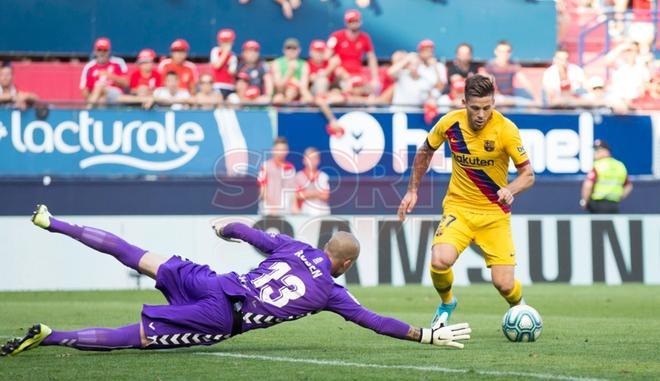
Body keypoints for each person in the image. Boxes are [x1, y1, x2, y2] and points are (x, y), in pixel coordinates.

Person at [1, 205, 471, 356]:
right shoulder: (332, 290)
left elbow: (249, 232)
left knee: (134, 253)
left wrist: (224, 229)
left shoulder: (295, 247)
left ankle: (53, 221)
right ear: (345, 264)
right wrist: (425, 334)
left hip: (214, 281)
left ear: (326, 245)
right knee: (137, 339)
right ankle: (50, 337)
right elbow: (375, 321)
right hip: (222, 314)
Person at [398, 74, 535, 328]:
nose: (481, 114)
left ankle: (520, 308)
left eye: (487, 107)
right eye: (475, 108)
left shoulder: (507, 130)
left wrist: (510, 188)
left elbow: (528, 175)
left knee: (504, 284)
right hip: (458, 208)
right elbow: (425, 151)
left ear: (494, 102)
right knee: (440, 260)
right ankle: (447, 302)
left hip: (494, 214)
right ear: (464, 102)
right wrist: (412, 190)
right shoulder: (450, 123)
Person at [326, 9, 379, 95]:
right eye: (351, 21)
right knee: (347, 88)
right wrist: (338, 69)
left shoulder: (365, 38)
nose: (354, 23)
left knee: (371, 89)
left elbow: (371, 58)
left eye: (356, 21)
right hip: (340, 75)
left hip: (357, 74)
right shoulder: (336, 36)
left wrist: (375, 78)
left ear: (360, 22)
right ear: (346, 23)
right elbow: (327, 56)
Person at [580, 139, 632, 213]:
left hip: (598, 204)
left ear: (606, 151)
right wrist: (619, 196)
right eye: (595, 150)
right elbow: (628, 186)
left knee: (598, 224)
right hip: (614, 205)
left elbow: (588, 185)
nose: (595, 153)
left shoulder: (597, 165)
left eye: (598, 150)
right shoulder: (620, 165)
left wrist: (584, 201)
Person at [483, 40, 539, 106]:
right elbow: (490, 86)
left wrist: (536, 97)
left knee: (524, 93)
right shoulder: (490, 65)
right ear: (496, 52)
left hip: (511, 93)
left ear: (510, 53)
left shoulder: (513, 64)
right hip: (497, 97)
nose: (504, 54)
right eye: (501, 51)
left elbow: (524, 81)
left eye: (507, 51)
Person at [80, 37, 128, 106]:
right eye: (99, 50)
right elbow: (84, 90)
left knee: (100, 86)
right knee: (101, 99)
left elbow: (126, 83)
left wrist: (110, 75)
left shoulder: (118, 62)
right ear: (95, 51)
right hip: (97, 97)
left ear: (109, 51)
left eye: (104, 50)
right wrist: (93, 97)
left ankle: (88, 110)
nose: (102, 53)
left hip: (116, 95)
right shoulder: (89, 67)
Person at [257, 137, 297, 216]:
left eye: (283, 150)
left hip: (285, 210)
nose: (281, 152)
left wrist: (294, 207)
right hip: (268, 210)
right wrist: (272, 207)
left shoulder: (290, 168)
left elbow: (293, 190)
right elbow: (262, 190)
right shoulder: (265, 166)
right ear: (273, 150)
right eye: (279, 149)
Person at [271, 38, 313, 104]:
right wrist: (290, 71)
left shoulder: (304, 64)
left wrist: (294, 85)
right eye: (288, 48)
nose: (291, 51)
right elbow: (279, 86)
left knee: (308, 99)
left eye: (294, 48)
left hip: (298, 92)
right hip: (282, 93)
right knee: (278, 99)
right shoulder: (277, 63)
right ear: (284, 50)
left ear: (299, 50)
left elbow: (303, 87)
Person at [294, 147, 331, 216]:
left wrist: (306, 193)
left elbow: (325, 196)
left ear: (318, 160)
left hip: (322, 213)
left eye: (314, 158)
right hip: (304, 213)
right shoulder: (298, 176)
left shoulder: (323, 176)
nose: (311, 161)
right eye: (309, 158)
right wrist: (317, 193)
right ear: (304, 160)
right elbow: (297, 195)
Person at [210, 29, 238, 98]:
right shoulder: (215, 51)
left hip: (229, 87)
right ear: (219, 42)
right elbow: (217, 65)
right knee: (217, 99)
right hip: (217, 86)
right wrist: (225, 53)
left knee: (234, 99)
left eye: (228, 42)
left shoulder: (233, 56)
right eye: (223, 42)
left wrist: (230, 64)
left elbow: (232, 72)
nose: (225, 44)